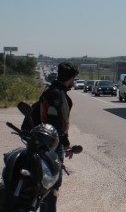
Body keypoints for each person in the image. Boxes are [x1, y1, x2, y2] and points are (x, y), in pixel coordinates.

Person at [40, 61, 79, 212]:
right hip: (52, 145)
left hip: (44, 142)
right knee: (52, 184)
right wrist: (66, 145)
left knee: (46, 184)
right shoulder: (57, 94)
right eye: (73, 79)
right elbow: (56, 124)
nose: (73, 82)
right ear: (70, 78)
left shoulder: (51, 90)